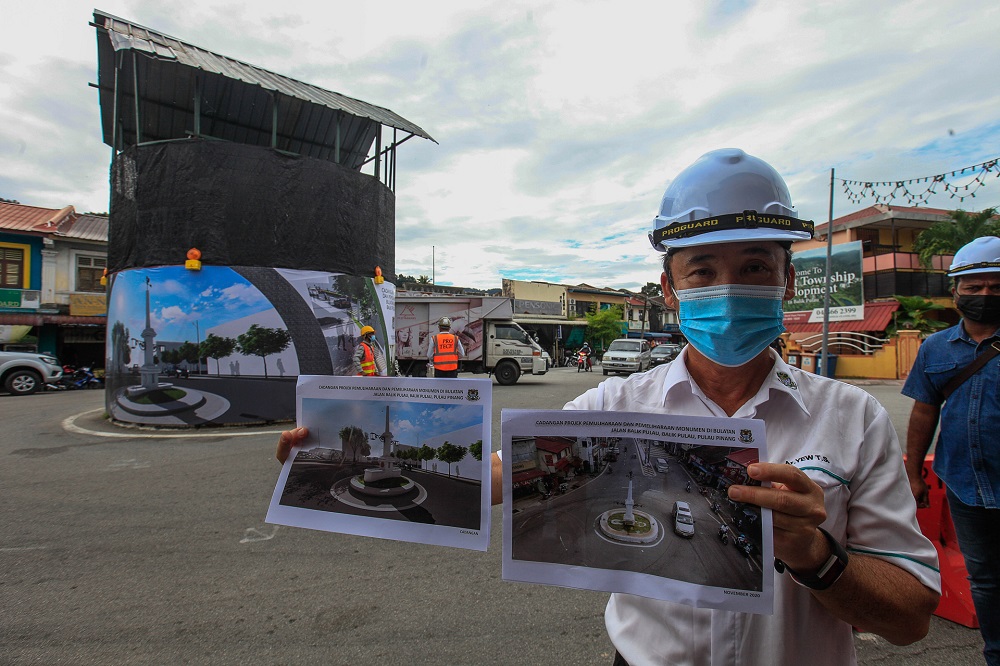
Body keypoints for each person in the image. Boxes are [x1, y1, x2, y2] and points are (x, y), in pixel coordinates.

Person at [560, 149, 939, 664]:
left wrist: (814, 553)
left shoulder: (855, 417)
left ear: (787, 279)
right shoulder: (616, 403)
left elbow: (910, 617)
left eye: (755, 266)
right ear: (669, 289)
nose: (730, 288)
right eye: (702, 270)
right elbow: (504, 468)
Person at [902, 235, 1000, 666]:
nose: (984, 296)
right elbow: (925, 413)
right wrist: (913, 474)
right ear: (955, 290)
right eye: (974, 287)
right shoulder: (935, 348)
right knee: (986, 579)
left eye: (995, 287)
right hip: (964, 484)